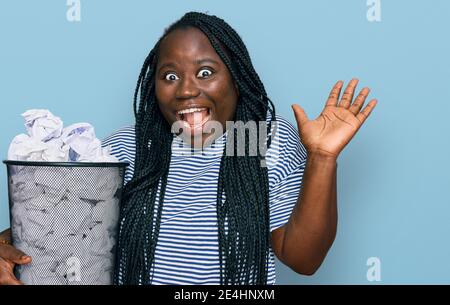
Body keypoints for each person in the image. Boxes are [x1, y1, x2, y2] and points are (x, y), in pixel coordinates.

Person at [0, 11, 377, 285]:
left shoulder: (259, 143)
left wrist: (323, 159)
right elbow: (58, 230)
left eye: (206, 72)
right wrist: (7, 247)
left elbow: (303, 259)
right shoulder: (128, 147)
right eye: (170, 76)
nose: (185, 89)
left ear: (237, 79)